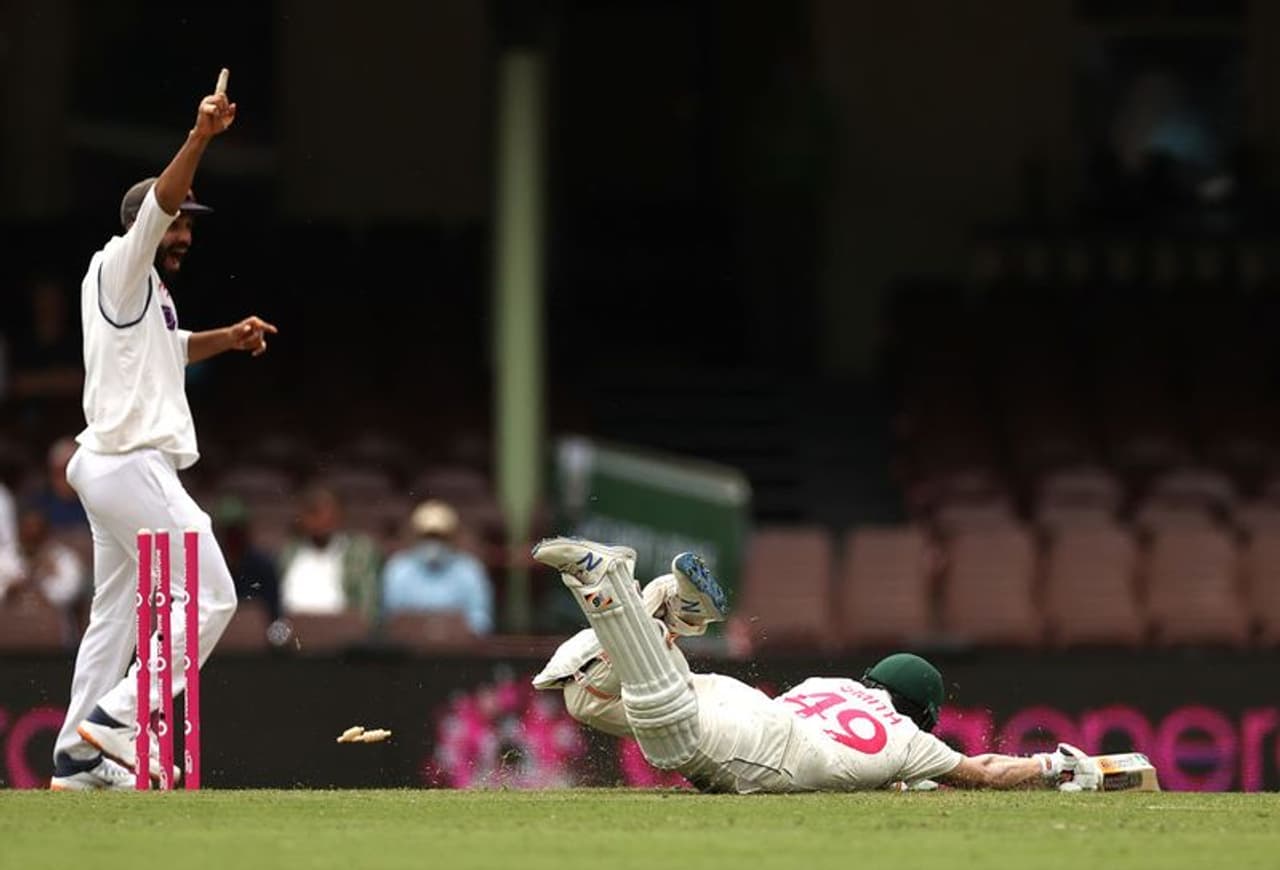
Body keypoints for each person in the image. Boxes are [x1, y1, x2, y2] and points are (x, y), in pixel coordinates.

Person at [50, 81, 279, 791]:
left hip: (105, 464)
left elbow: (169, 351)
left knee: (114, 617)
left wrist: (228, 339)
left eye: (187, 226)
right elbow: (161, 204)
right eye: (176, 223)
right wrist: (201, 136)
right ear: (148, 222)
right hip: (128, 463)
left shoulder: (145, 292)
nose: (185, 234)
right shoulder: (122, 264)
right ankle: (114, 724)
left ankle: (74, 757)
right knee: (213, 596)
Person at [532, 537, 1087, 793]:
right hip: (761, 740)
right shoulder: (912, 742)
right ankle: (606, 583)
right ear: (919, 711)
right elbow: (985, 772)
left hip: (746, 706)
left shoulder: (833, 682)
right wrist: (1056, 767)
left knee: (585, 696)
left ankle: (673, 613)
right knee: (667, 737)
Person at [381, 499, 494, 635]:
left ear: (452, 538)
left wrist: (449, 630)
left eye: (440, 537)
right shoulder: (398, 569)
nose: (434, 543)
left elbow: (481, 620)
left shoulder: (469, 570)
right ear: (416, 537)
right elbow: (389, 616)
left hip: (458, 650)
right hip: (407, 649)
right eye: (427, 536)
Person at [277, 485, 380, 623]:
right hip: (295, 634)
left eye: (329, 514)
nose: (322, 520)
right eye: (314, 513)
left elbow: (368, 607)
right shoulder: (289, 553)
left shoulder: (359, 552)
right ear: (303, 517)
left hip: (343, 634)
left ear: (339, 516)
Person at [0, 505, 86, 645]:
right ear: (19, 531)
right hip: (8, 638)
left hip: (52, 641)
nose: (32, 534)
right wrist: (12, 587)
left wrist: (45, 581)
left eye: (37, 531)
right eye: (28, 530)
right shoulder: (4, 558)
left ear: (46, 532)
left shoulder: (63, 558)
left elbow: (69, 595)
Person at [216, 495, 281, 622]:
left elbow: (276, 614)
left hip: (259, 638)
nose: (233, 537)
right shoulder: (212, 567)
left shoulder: (264, 566)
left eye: (237, 530)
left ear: (246, 530)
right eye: (229, 531)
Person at [30, 438, 88, 532]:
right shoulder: (40, 506)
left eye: (66, 471)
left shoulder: (94, 501)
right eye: (57, 473)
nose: (63, 479)